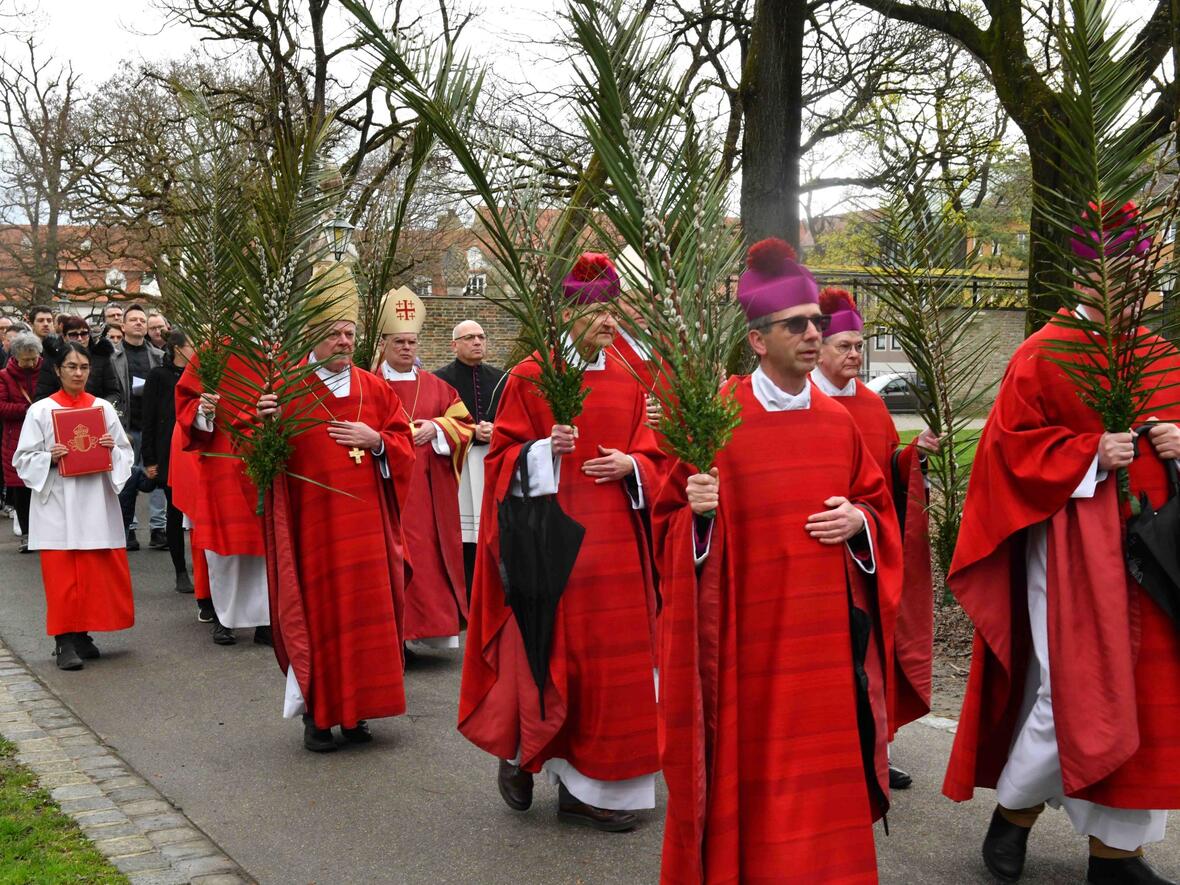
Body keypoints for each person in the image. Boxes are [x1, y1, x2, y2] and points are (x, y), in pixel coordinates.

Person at [943, 205, 1180, 885]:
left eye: (1133, 269)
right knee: (1071, 690)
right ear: (1083, 271)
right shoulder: (1044, 352)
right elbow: (1005, 450)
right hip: (1075, 543)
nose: (1120, 280)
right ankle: (1014, 810)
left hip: (1158, 553)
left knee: (1149, 694)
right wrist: (1086, 454)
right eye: (1108, 268)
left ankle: (1115, 857)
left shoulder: (1162, 355)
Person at [655, 238, 901, 883]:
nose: (814, 334)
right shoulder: (716, 420)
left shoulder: (840, 423)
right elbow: (664, 525)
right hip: (748, 649)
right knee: (756, 779)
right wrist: (697, 514)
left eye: (817, 322)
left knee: (824, 784)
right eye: (797, 324)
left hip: (822, 648)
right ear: (759, 339)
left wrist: (861, 523)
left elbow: (877, 507)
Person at [459, 252, 665, 832]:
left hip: (620, 548)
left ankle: (595, 786)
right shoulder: (531, 375)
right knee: (553, 658)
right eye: (596, 307)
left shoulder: (629, 375)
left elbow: (653, 452)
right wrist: (543, 451)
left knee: (616, 668)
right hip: (553, 547)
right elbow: (499, 461)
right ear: (571, 309)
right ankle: (526, 753)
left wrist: (635, 464)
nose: (608, 318)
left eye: (613, 306)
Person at [256, 269, 416, 753]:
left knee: (368, 615)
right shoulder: (285, 391)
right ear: (312, 337)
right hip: (314, 531)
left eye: (349, 333)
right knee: (320, 618)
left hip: (367, 531)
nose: (344, 341)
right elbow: (259, 466)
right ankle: (319, 716)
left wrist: (378, 442)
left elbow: (403, 444)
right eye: (333, 333)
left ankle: (358, 712)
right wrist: (264, 429)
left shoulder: (375, 388)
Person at [813, 286, 938, 791]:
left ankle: (875, 748)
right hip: (821, 546)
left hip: (866, 545)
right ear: (817, 347)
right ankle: (834, 751)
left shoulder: (870, 403)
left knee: (874, 650)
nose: (854, 354)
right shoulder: (808, 401)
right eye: (843, 345)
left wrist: (916, 455)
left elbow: (887, 473)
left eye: (858, 346)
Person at [12, 342, 135, 670]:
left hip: (95, 500)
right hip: (58, 505)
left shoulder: (103, 409)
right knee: (63, 575)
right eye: (71, 367)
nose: (78, 373)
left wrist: (111, 451)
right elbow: (21, 460)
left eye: (83, 367)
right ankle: (63, 640)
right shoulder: (40, 411)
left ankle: (82, 633)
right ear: (58, 370)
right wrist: (49, 458)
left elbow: (125, 453)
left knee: (93, 572)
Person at [375, 291, 474, 653]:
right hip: (382, 489)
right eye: (399, 341)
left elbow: (465, 424)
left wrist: (438, 429)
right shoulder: (367, 385)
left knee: (427, 562)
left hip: (427, 495)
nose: (406, 348)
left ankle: (417, 632)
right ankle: (390, 639)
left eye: (411, 342)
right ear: (384, 344)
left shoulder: (438, 388)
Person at [175, 345, 270, 646]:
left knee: (265, 548)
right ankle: (223, 618)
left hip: (264, 459)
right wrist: (203, 410)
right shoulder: (212, 351)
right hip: (222, 457)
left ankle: (266, 621)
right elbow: (186, 401)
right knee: (224, 548)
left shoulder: (277, 349)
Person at [434, 319, 506, 594]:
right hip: (458, 465)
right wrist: (471, 431)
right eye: (469, 338)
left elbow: (514, 418)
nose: (477, 342)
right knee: (463, 535)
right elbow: (437, 421)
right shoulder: (439, 380)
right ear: (454, 345)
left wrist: (496, 429)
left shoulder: (503, 378)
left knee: (493, 531)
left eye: (481, 337)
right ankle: (464, 593)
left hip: (492, 462)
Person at [142, 328, 196, 594]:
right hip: (168, 452)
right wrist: (150, 459)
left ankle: (203, 567)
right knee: (174, 513)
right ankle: (180, 571)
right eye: (192, 344)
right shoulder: (158, 376)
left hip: (195, 449)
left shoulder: (201, 375)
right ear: (178, 348)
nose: (196, 349)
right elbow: (148, 419)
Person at [112, 303, 166, 551]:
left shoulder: (158, 356)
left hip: (153, 425)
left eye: (142, 320)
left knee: (158, 474)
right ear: (122, 326)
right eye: (133, 320)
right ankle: (129, 527)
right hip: (126, 427)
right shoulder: (113, 356)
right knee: (128, 477)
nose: (138, 323)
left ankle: (158, 528)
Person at [0, 332, 43, 552]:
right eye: (26, 359)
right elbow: (2, 407)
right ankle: (27, 534)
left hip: (44, 436)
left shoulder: (47, 371)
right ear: (16, 356)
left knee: (44, 487)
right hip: (15, 439)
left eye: (34, 358)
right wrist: (29, 409)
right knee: (21, 489)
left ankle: (45, 532)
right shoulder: (4, 376)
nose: (31, 362)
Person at [33, 316, 122, 411]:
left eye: (84, 334)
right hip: (61, 415)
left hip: (96, 413)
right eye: (73, 335)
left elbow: (113, 393)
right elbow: (42, 396)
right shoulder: (53, 359)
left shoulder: (101, 357)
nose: (80, 338)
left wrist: (99, 408)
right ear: (64, 337)